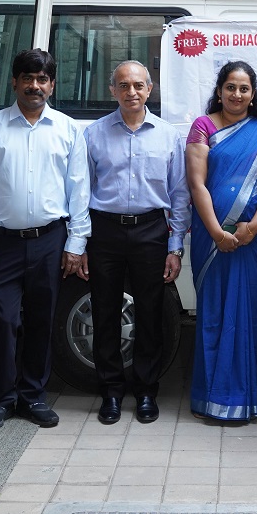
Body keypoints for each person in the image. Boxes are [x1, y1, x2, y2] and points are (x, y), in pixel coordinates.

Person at [0, 48, 90, 431]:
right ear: (14, 82)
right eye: (27, 78)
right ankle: (2, 399)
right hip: (1, 242)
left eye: (42, 79)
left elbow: (79, 190)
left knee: (41, 320)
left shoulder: (69, 130)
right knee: (2, 321)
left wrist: (76, 242)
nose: (34, 86)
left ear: (52, 85)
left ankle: (33, 396)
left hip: (50, 240)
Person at [85, 60, 190, 425]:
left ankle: (146, 391)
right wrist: (80, 242)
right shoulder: (94, 134)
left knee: (150, 314)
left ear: (150, 90)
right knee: (105, 312)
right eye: (123, 85)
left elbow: (179, 194)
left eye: (139, 85)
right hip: (105, 231)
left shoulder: (167, 135)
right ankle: (111, 392)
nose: (132, 92)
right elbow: (82, 191)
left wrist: (174, 246)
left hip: (151, 232)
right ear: (112, 91)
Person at [186, 60, 257, 421]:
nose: (237, 95)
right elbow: (197, 184)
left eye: (244, 89)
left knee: (249, 315)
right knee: (214, 315)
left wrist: (254, 227)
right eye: (231, 87)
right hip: (212, 239)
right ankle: (210, 397)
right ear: (219, 90)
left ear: (253, 93)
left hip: (252, 241)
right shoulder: (203, 127)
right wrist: (216, 231)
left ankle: (244, 397)